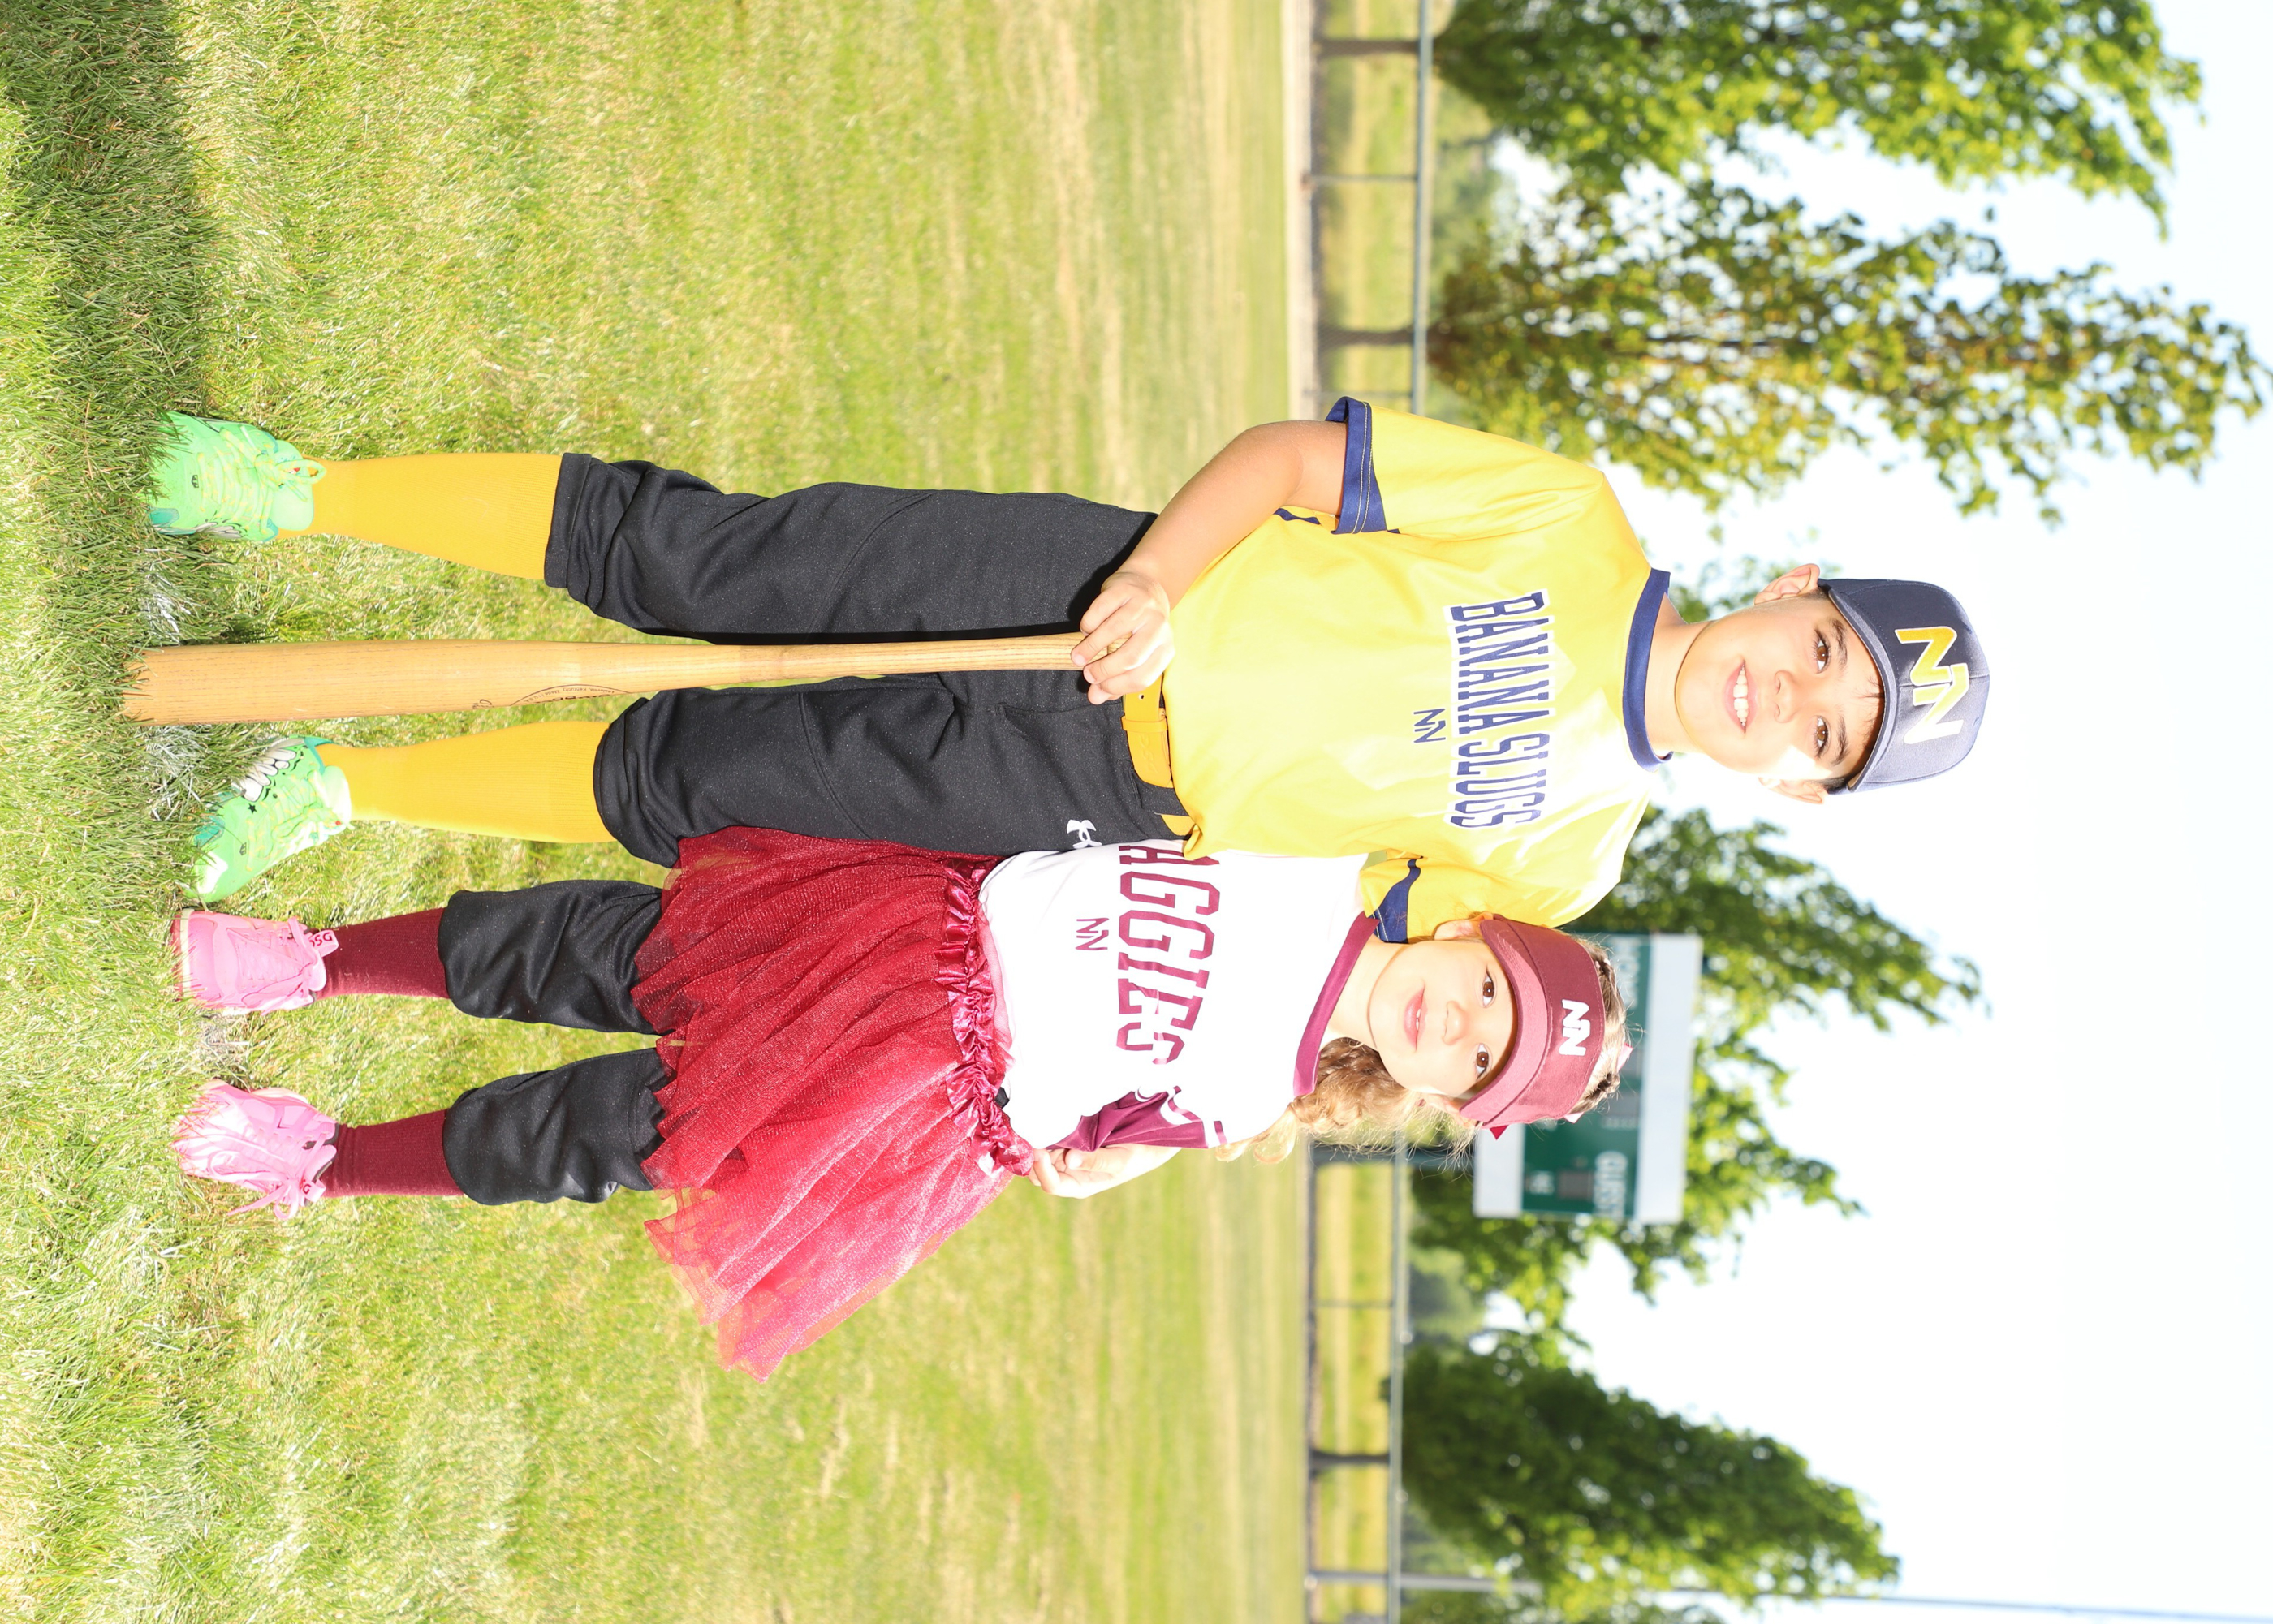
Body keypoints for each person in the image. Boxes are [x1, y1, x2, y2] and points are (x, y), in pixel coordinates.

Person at [150, 405, 1990, 932]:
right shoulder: (1570, 520)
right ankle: (299, 491)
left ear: (1800, 786)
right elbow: (1294, 460)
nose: (1787, 694)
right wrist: (1152, 580)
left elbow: (1350, 935)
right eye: (1819, 649)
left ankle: (342, 784)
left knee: (702, 784)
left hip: (1093, 791)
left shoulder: (1567, 865)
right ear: (1793, 585)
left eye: (1826, 734)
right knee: (709, 563)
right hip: (1089, 590)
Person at [169, 831, 1626, 1381]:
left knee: (605, 1134)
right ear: (1466, 934)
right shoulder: (1312, 855)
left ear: (1438, 1097)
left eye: (1477, 1061)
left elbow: (1079, 1151)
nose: (1459, 1025)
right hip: (894, 928)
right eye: (1487, 991)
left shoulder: (1251, 1095)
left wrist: (1096, 1156)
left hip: (909, 1083)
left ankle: (326, 1161)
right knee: (594, 948)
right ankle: (313, 962)